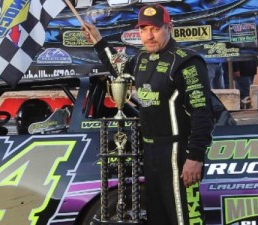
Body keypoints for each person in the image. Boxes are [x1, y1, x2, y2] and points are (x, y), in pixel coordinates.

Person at [81, 4, 214, 225]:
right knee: (158, 217)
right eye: (143, 30)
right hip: (151, 151)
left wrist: (195, 157)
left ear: (168, 28)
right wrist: (98, 41)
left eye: (155, 29)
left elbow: (203, 112)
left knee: (185, 218)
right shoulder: (141, 59)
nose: (149, 36)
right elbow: (119, 68)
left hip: (177, 153)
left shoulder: (187, 61)